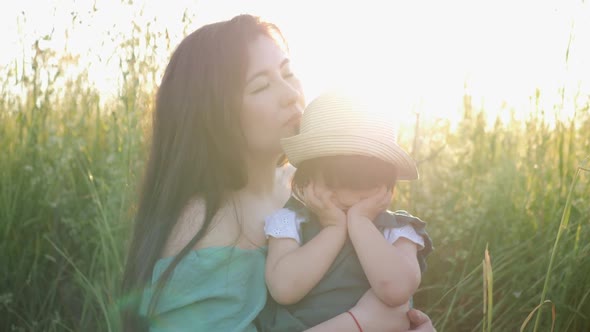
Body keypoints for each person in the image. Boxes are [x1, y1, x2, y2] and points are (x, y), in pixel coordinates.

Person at [120, 14, 436, 332]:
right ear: (211, 115)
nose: (290, 94)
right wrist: (358, 324)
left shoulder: (306, 186)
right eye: (261, 86)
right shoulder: (202, 225)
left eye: (288, 73)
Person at [258, 92, 434, 332]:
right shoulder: (291, 221)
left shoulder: (399, 231)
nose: (348, 198)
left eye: (365, 188)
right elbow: (284, 289)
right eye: (333, 184)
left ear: (387, 186)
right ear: (307, 179)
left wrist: (360, 222)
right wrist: (333, 229)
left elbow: (396, 291)